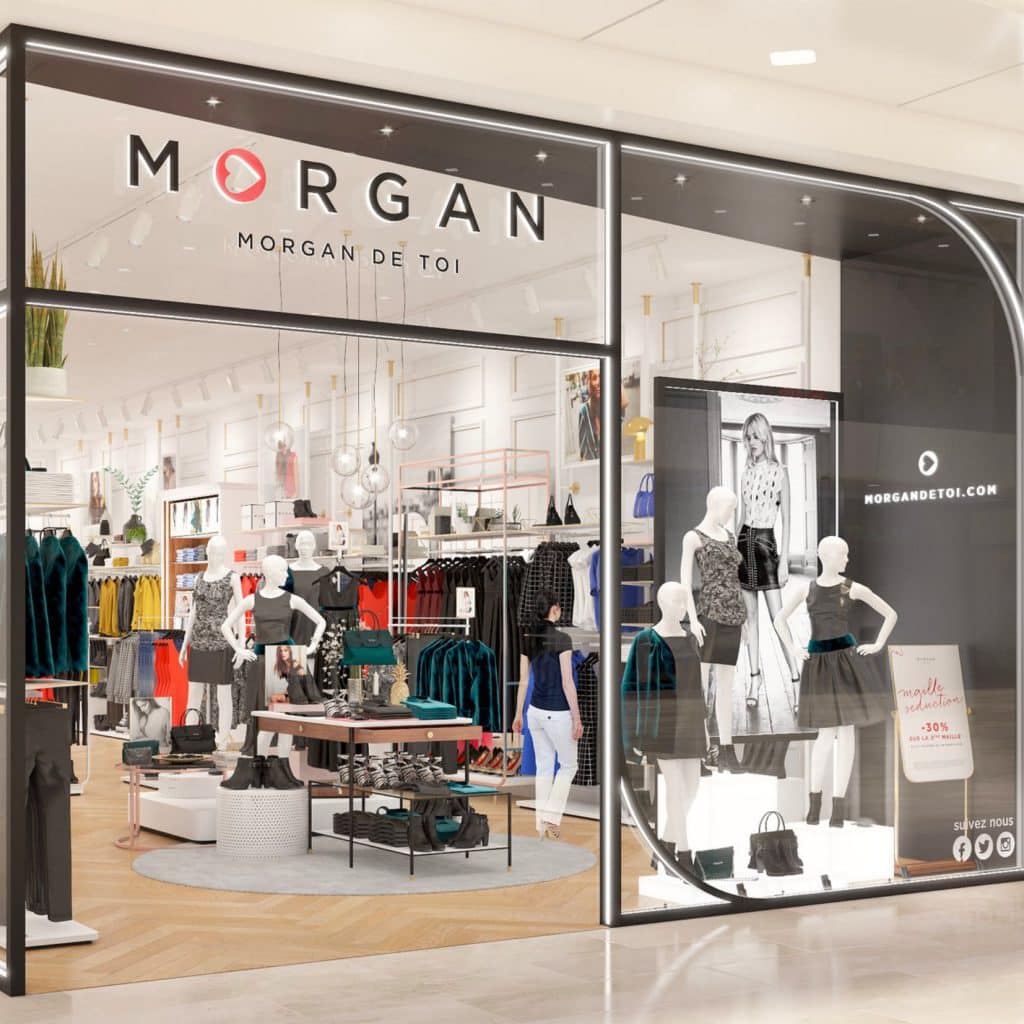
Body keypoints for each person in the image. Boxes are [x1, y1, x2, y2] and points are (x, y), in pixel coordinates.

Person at [736, 412, 802, 709]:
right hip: (744, 544)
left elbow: (787, 519)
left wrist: (783, 561)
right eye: (748, 437)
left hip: (766, 545)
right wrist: (733, 552)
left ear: (766, 437)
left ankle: (796, 679)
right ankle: (754, 679)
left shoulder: (780, 472)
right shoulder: (745, 473)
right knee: (751, 619)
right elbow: (742, 517)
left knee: (778, 619)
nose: (752, 442)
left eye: (756, 436)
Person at [512, 590, 582, 841]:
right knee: (569, 765)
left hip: (534, 712)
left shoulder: (528, 637)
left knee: (543, 768)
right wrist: (577, 717)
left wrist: (518, 713)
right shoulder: (562, 639)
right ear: (554, 609)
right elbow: (567, 682)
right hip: (558, 712)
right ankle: (551, 816)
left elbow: (523, 681)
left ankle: (541, 825)